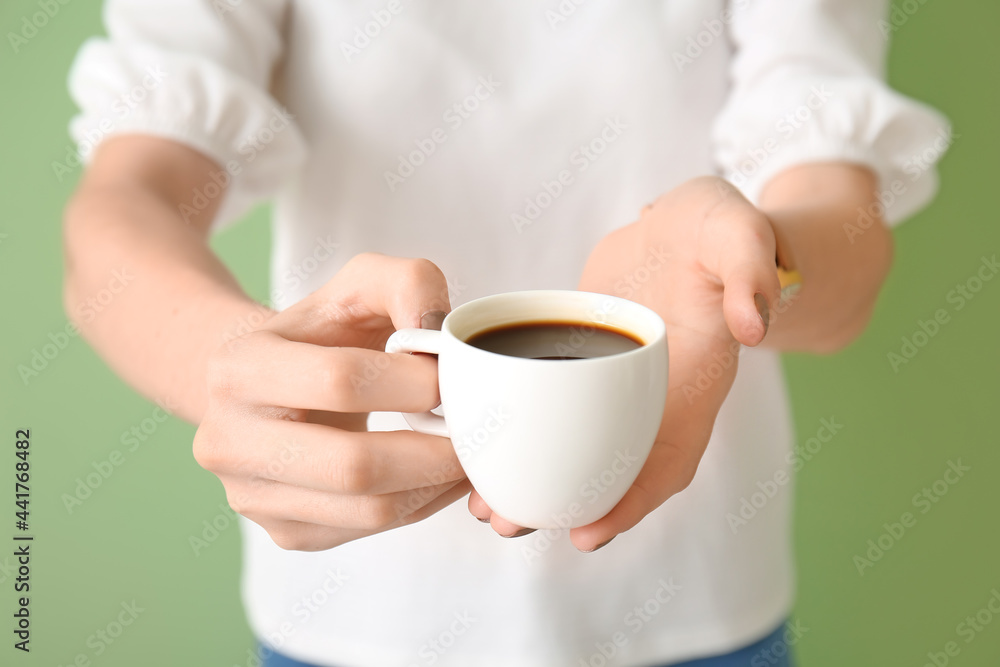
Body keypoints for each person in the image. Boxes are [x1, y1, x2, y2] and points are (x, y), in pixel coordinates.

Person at [62, 1, 948, 665]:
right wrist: (226, 360)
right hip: (355, 608)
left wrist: (760, 261)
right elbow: (127, 204)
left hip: (693, 599)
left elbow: (844, 232)